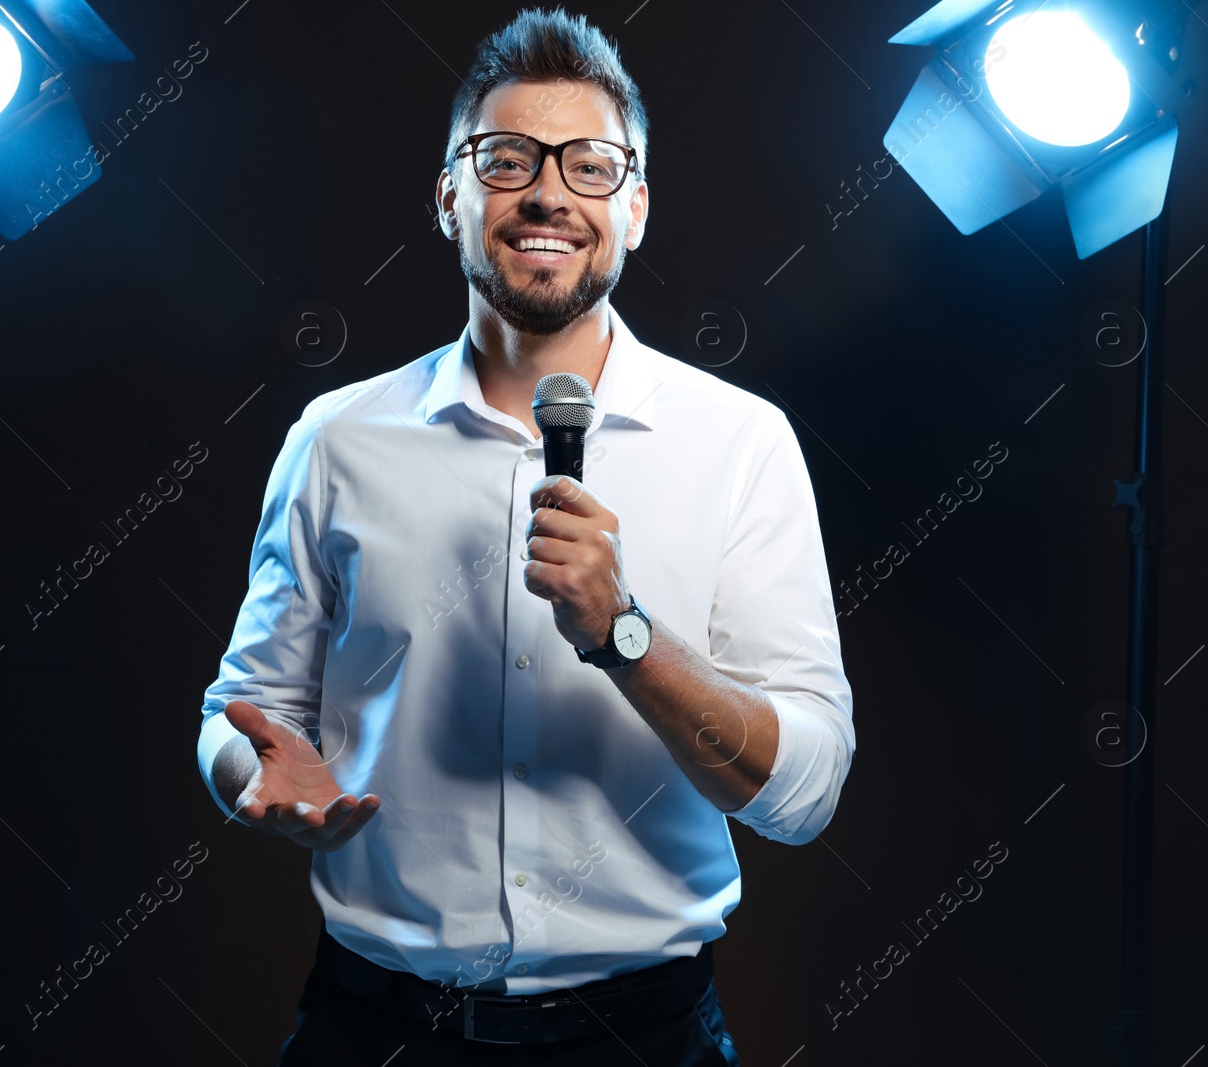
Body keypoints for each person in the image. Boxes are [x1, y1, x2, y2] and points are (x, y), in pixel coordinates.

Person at [196, 8, 854, 1064]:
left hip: (644, 1037)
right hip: (375, 1028)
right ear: (449, 195)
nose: (548, 192)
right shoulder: (337, 439)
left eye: (590, 166)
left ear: (634, 208)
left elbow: (805, 791)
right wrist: (252, 776)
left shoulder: (740, 442)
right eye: (506, 160)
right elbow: (244, 711)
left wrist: (623, 632)